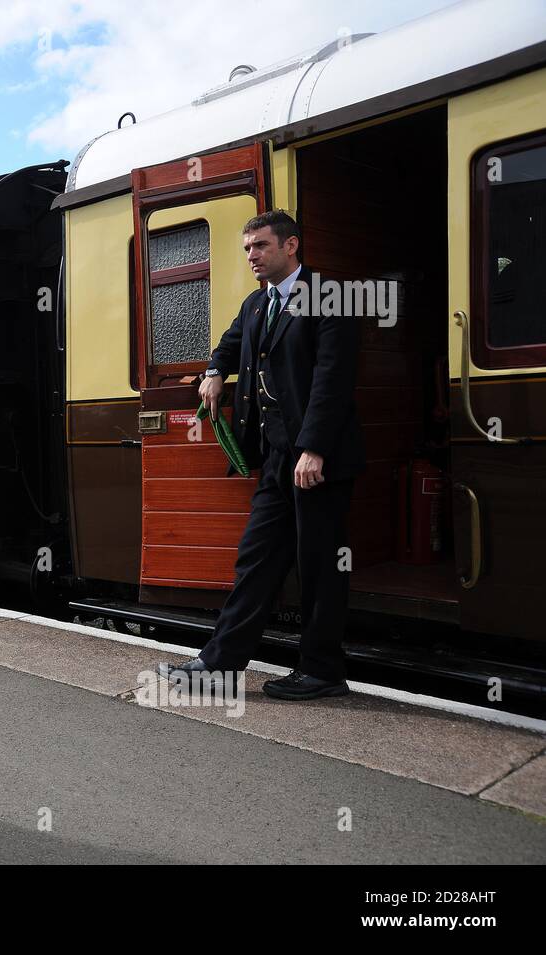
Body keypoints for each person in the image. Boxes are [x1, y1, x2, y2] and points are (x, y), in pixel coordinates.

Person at [158, 210, 365, 701]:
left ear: (291, 246)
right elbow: (229, 346)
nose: (252, 255)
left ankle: (323, 671)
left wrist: (313, 448)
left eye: (261, 246)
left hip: (318, 460)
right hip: (275, 458)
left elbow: (332, 381)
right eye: (247, 248)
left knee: (319, 565)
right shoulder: (256, 305)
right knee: (256, 559)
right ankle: (221, 664)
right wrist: (213, 370)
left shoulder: (330, 297)